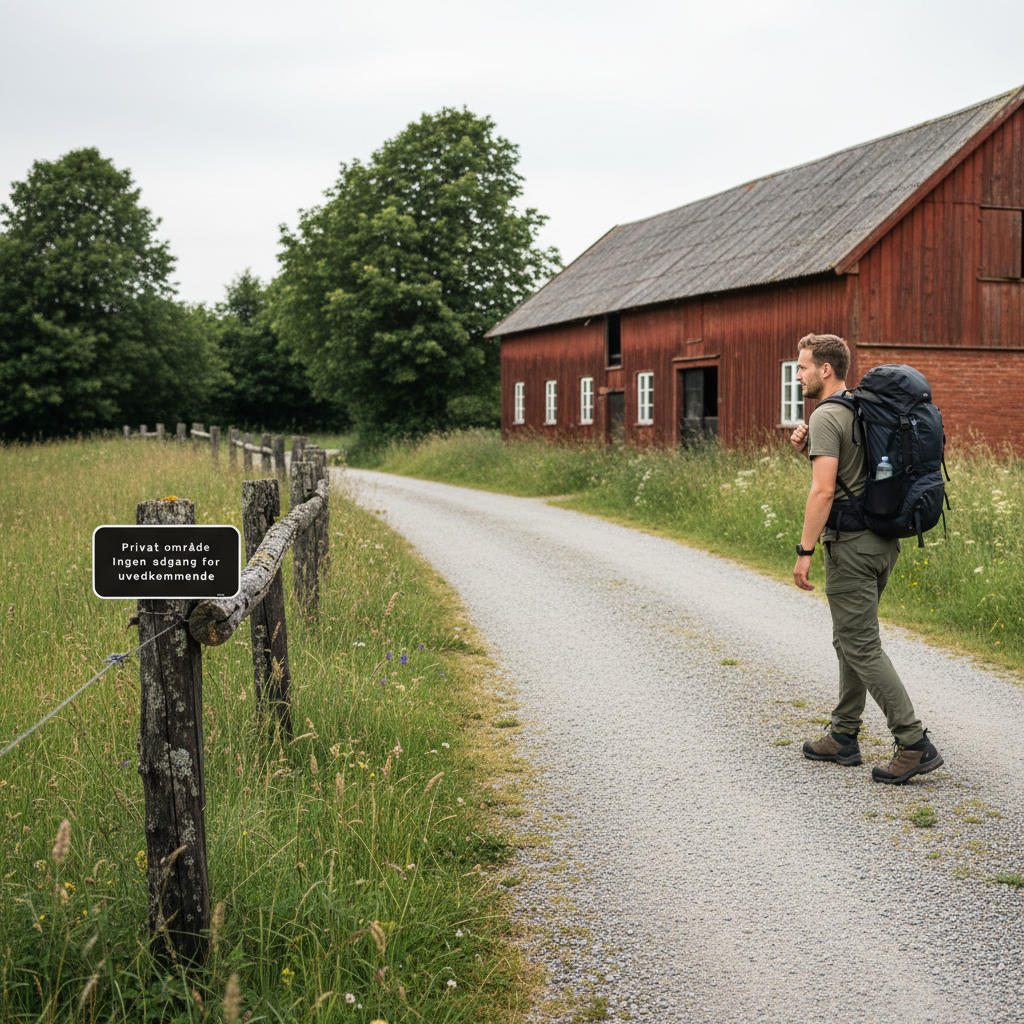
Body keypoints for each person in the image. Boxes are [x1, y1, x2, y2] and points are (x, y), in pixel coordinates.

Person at [789, 334, 944, 785]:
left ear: (826, 370)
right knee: (849, 638)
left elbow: (822, 492)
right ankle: (842, 734)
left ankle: (913, 742)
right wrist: (807, 455)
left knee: (860, 644)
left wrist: (804, 551)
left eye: (802, 368)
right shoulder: (860, 409)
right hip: (881, 543)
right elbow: (849, 482)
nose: (797, 375)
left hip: (852, 548)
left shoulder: (825, 416)